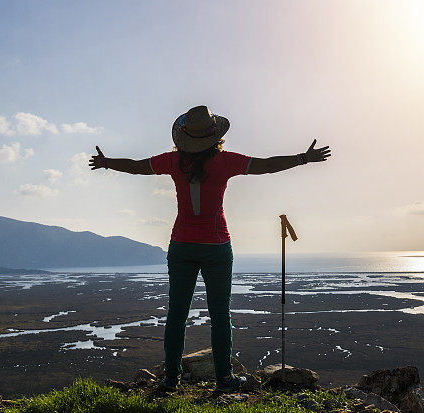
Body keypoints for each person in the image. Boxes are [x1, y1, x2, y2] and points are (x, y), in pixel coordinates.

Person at [88, 105, 331, 392]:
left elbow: (137, 166)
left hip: (181, 245)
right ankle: (224, 379)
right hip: (216, 246)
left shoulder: (173, 161)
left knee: (177, 314)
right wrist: (304, 158)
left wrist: (107, 163)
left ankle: (170, 379)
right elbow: (266, 164)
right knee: (220, 314)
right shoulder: (225, 161)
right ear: (215, 135)